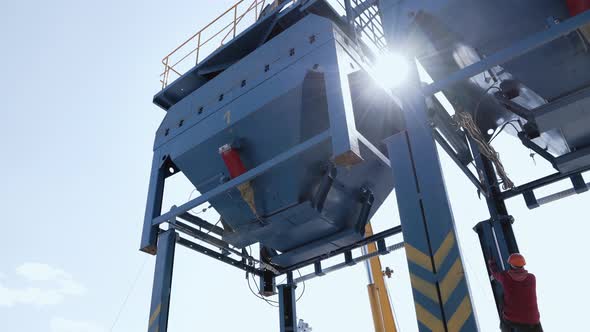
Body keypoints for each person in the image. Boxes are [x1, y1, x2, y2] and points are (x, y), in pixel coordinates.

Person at [489, 253, 542, 332]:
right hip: (533, 320)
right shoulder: (531, 278)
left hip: (512, 320)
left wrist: (491, 264)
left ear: (511, 265)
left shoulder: (505, 277)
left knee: (502, 299)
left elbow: (495, 274)